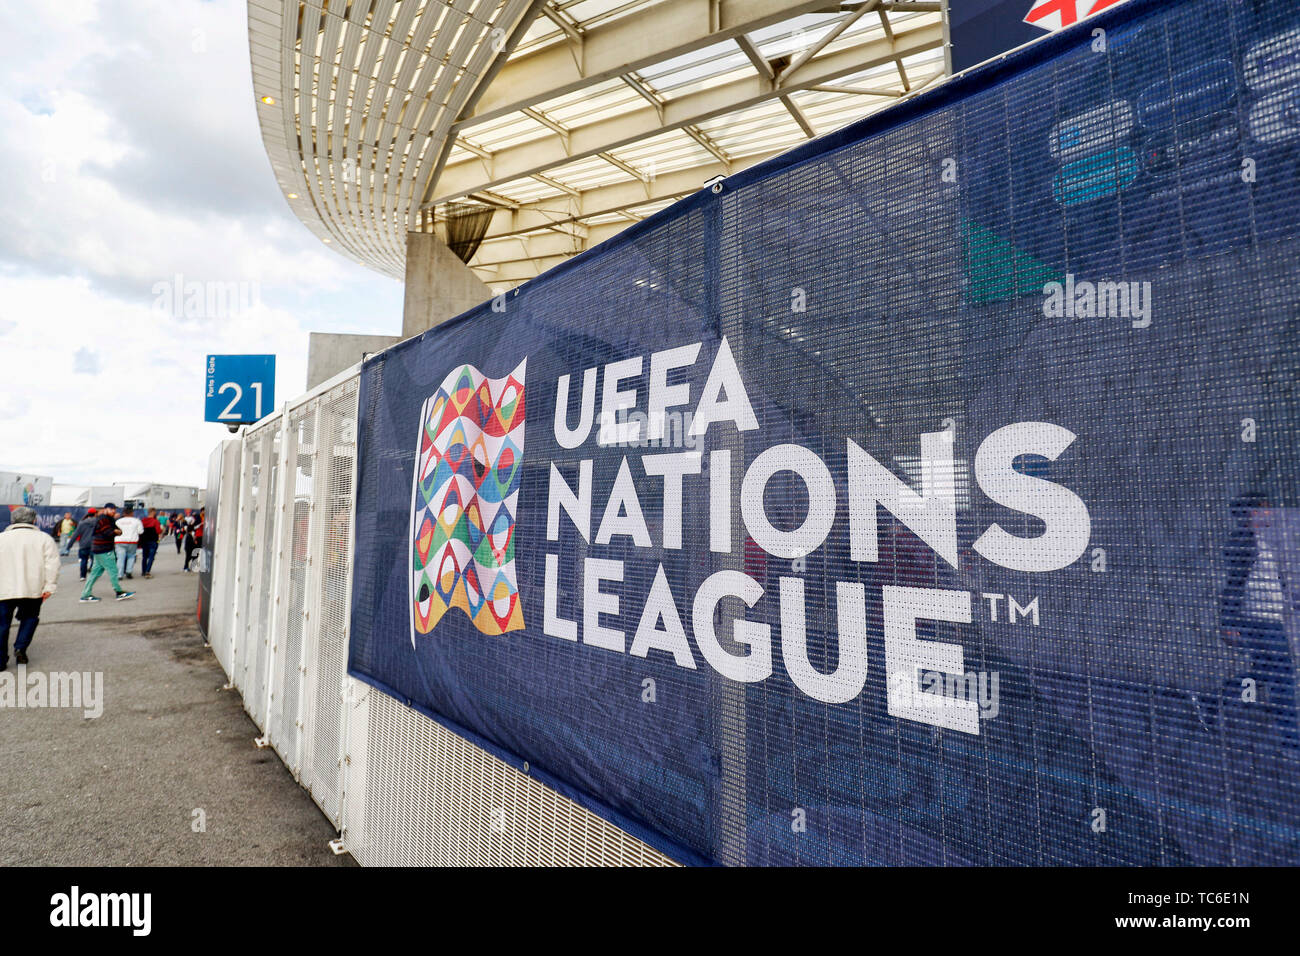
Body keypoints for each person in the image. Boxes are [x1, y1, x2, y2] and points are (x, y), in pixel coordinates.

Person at [0, 506, 61, 669]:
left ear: (12, 521)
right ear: (34, 520)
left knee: (1, 624)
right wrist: (50, 586)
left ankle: (0, 660)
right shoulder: (44, 538)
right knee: (29, 619)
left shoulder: (1, 538)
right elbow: (52, 564)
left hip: (3, 589)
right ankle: (20, 648)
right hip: (33, 588)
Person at [80, 503, 134, 603]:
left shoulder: (109, 519)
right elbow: (108, 532)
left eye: (114, 509)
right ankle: (119, 592)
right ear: (105, 509)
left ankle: (85, 595)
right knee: (113, 570)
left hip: (98, 549)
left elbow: (119, 531)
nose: (113, 511)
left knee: (94, 573)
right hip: (104, 549)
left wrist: (116, 531)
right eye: (111, 509)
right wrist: (115, 531)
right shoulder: (103, 519)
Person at [68, 508, 98, 580]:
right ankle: (93, 575)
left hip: (83, 544)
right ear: (95, 514)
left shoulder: (82, 523)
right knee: (95, 560)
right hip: (94, 544)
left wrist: (69, 546)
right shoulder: (98, 522)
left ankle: (82, 576)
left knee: (83, 560)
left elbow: (76, 534)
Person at [115, 505, 144, 580]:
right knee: (131, 557)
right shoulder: (137, 521)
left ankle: (119, 575)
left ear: (124, 513)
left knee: (120, 558)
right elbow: (140, 532)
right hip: (132, 541)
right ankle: (128, 572)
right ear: (132, 513)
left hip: (119, 541)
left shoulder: (118, 521)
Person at [139, 508, 162, 579]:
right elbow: (158, 531)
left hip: (144, 540)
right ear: (153, 512)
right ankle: (147, 571)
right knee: (151, 557)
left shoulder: (142, 520)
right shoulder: (155, 521)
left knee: (144, 557)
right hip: (153, 540)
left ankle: (143, 571)